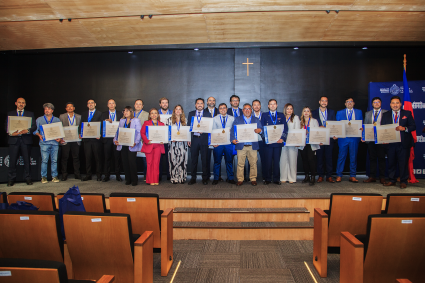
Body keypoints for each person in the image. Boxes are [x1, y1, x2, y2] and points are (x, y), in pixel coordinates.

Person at [381, 96, 416, 189]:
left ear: (400, 104)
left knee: (403, 163)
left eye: (397, 103)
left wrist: (404, 128)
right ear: (390, 104)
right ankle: (392, 180)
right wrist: (383, 139)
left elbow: (413, 126)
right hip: (391, 144)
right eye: (393, 103)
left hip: (404, 144)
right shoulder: (385, 115)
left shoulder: (407, 113)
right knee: (391, 163)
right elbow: (382, 129)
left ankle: (403, 181)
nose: (395, 105)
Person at [6, 97, 36, 186]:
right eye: (19, 102)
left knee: (27, 161)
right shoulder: (10, 113)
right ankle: (11, 179)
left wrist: (28, 130)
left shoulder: (30, 114)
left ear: (25, 104)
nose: (21, 104)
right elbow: (6, 126)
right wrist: (11, 133)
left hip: (26, 140)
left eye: (23, 103)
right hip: (13, 140)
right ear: (16, 103)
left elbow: (34, 126)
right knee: (12, 161)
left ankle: (28, 178)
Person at [230, 103, 262, 186]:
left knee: (253, 163)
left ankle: (253, 179)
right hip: (241, 145)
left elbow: (261, 130)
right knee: (240, 164)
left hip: (252, 146)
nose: (247, 110)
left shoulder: (256, 120)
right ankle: (240, 179)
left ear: (251, 110)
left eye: (249, 109)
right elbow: (233, 131)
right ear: (243, 110)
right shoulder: (237, 119)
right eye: (245, 109)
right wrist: (233, 139)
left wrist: (260, 131)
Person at [336, 97, 363, 183]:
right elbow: (337, 126)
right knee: (341, 157)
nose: (349, 103)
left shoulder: (359, 112)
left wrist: (362, 133)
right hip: (343, 138)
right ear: (345, 104)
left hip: (354, 138)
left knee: (353, 157)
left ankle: (352, 175)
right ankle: (339, 175)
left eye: (351, 101)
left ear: (354, 103)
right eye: (347, 102)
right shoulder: (339, 113)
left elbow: (361, 125)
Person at [261, 99, 288, 185]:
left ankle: (276, 179)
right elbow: (262, 128)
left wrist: (282, 138)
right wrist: (266, 139)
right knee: (268, 162)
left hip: (278, 143)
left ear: (276, 105)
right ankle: (268, 179)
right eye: (271, 104)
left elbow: (285, 128)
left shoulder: (281, 115)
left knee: (276, 162)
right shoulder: (264, 115)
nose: (272, 106)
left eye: (274, 104)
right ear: (268, 106)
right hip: (268, 143)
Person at [34, 103, 62, 184]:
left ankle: (54, 176)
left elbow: (60, 131)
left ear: (52, 110)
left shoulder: (57, 119)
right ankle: (44, 177)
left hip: (54, 143)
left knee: (54, 161)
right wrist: (39, 135)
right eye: (45, 109)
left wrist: (60, 138)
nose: (47, 110)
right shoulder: (39, 119)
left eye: (49, 109)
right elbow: (35, 130)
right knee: (44, 161)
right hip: (44, 143)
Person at [362, 97, 388, 184]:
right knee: (372, 158)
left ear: (381, 103)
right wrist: (363, 136)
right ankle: (372, 176)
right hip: (371, 139)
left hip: (381, 139)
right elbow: (365, 126)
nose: (376, 104)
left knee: (381, 158)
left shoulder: (386, 113)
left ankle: (382, 177)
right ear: (372, 104)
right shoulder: (368, 114)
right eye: (374, 102)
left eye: (378, 102)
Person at [114, 106, 141, 186]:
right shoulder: (122, 121)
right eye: (124, 111)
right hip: (123, 145)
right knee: (125, 162)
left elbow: (139, 132)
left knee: (131, 162)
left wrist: (136, 142)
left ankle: (134, 180)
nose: (125, 112)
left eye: (127, 111)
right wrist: (115, 140)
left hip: (132, 145)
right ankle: (128, 179)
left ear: (131, 112)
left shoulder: (136, 120)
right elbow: (118, 132)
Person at [187, 98, 212, 185]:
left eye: (201, 103)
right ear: (195, 105)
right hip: (194, 139)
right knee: (194, 160)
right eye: (198, 103)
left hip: (204, 139)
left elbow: (210, 128)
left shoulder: (208, 114)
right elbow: (188, 127)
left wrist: (204, 130)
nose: (200, 105)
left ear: (204, 105)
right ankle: (193, 178)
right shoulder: (191, 114)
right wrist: (188, 139)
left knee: (204, 160)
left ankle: (204, 178)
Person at [312, 96, 337, 183]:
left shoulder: (331, 112)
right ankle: (320, 175)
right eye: (322, 101)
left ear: (327, 102)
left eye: (326, 101)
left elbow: (334, 124)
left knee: (329, 158)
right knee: (319, 158)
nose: (324, 102)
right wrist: (319, 127)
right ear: (319, 102)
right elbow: (312, 125)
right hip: (319, 138)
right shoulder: (314, 112)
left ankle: (329, 176)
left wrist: (335, 134)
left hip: (329, 138)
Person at [212, 103, 235, 185]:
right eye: (220, 108)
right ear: (219, 109)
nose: (222, 109)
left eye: (224, 108)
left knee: (229, 161)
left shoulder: (232, 118)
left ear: (227, 109)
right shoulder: (214, 118)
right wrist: (213, 142)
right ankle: (216, 178)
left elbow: (234, 130)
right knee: (217, 161)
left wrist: (231, 131)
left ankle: (230, 178)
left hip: (229, 143)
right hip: (218, 144)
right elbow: (213, 131)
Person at [100, 99, 123, 182]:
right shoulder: (103, 114)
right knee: (107, 158)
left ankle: (118, 175)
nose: (111, 105)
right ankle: (107, 175)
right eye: (109, 103)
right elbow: (100, 126)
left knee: (117, 158)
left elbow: (123, 125)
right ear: (107, 105)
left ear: (115, 104)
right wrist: (105, 122)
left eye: (113, 103)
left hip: (117, 139)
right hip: (107, 140)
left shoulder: (120, 114)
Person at [141, 108, 165, 185]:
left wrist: (163, 140)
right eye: (152, 113)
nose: (154, 114)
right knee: (149, 163)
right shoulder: (146, 123)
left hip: (158, 146)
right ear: (150, 115)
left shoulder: (162, 124)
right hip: (149, 145)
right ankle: (150, 180)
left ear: (158, 115)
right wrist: (147, 141)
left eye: (155, 113)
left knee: (156, 163)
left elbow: (164, 135)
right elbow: (142, 133)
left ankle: (155, 180)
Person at [80, 99, 103, 181]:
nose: (90, 104)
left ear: (95, 104)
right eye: (89, 103)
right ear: (87, 105)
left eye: (92, 103)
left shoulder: (100, 113)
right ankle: (88, 175)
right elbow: (81, 124)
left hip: (96, 140)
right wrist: (80, 133)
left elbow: (102, 125)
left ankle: (99, 175)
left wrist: (100, 134)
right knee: (88, 158)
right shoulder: (84, 114)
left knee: (98, 158)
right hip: (87, 140)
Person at [298, 107, 321, 186]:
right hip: (303, 144)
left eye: (308, 111)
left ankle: (313, 177)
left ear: (310, 113)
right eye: (305, 111)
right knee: (304, 160)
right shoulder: (300, 122)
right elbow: (298, 133)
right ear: (303, 113)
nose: (306, 112)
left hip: (311, 143)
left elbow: (318, 132)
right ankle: (306, 176)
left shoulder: (314, 121)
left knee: (311, 160)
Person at [59, 102, 81, 181]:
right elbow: (59, 127)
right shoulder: (62, 116)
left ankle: (77, 174)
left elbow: (81, 128)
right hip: (66, 140)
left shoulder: (79, 117)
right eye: (68, 107)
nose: (70, 108)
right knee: (65, 158)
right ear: (66, 108)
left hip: (76, 140)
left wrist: (81, 134)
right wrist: (60, 138)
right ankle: (64, 174)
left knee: (76, 158)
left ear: (74, 108)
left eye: (71, 106)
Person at [167, 105, 189, 184]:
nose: (178, 111)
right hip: (172, 144)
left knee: (182, 161)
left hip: (183, 144)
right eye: (177, 109)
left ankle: (182, 177)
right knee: (173, 161)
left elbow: (188, 132)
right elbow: (167, 132)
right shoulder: (169, 120)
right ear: (174, 111)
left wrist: (188, 139)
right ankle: (174, 178)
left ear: (182, 111)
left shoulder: (185, 120)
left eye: (180, 109)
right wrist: (170, 138)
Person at [280, 103, 300, 183]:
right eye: (288, 108)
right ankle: (283, 177)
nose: (289, 110)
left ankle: (292, 178)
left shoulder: (296, 118)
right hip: (283, 142)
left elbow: (298, 130)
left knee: (292, 160)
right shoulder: (281, 117)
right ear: (285, 109)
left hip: (293, 142)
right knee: (283, 160)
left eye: (291, 109)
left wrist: (298, 141)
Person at [134, 99, 149, 180]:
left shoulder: (146, 114)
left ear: (142, 106)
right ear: (134, 105)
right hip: (132, 140)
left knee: (144, 159)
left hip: (142, 140)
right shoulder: (130, 114)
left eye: (140, 104)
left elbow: (148, 127)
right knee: (133, 159)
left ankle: (146, 176)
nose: (138, 105)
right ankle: (133, 175)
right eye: (137, 104)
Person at [158, 97, 172, 181]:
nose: (164, 104)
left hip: (168, 139)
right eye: (163, 103)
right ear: (160, 104)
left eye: (166, 102)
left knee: (168, 158)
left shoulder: (172, 113)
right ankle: (158, 175)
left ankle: (169, 175)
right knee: (158, 159)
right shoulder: (156, 113)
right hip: (159, 139)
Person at [205, 96, 219, 181]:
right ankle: (206, 176)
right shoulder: (203, 112)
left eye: (213, 100)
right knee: (206, 158)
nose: (212, 102)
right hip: (206, 138)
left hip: (218, 137)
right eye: (210, 100)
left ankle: (218, 176)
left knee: (218, 158)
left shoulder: (219, 111)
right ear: (207, 102)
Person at [252, 99, 266, 181]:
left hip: (262, 140)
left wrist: (261, 130)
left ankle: (265, 176)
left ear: (260, 106)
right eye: (254, 105)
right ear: (252, 107)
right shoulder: (249, 116)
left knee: (264, 159)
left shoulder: (265, 115)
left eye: (258, 105)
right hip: (253, 140)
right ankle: (252, 177)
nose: (256, 106)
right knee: (252, 160)